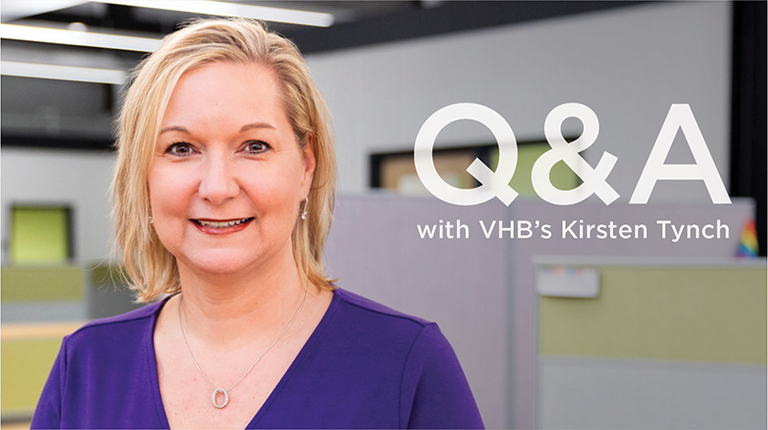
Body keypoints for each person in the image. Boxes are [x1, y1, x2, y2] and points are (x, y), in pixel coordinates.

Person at [31, 18, 484, 429]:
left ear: (306, 166)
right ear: (142, 176)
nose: (217, 187)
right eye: (181, 148)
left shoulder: (405, 362)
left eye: (254, 146)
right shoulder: (87, 366)